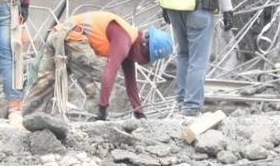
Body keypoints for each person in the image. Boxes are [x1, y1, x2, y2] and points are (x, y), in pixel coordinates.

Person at [24, 11, 173, 119]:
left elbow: (131, 81)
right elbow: (110, 72)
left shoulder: (130, 42)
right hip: (72, 38)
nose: (144, 61)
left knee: (46, 80)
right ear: (144, 46)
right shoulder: (124, 39)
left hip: (59, 35)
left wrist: (139, 112)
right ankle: (95, 115)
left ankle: (29, 117)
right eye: (147, 58)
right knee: (108, 75)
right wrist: (103, 107)